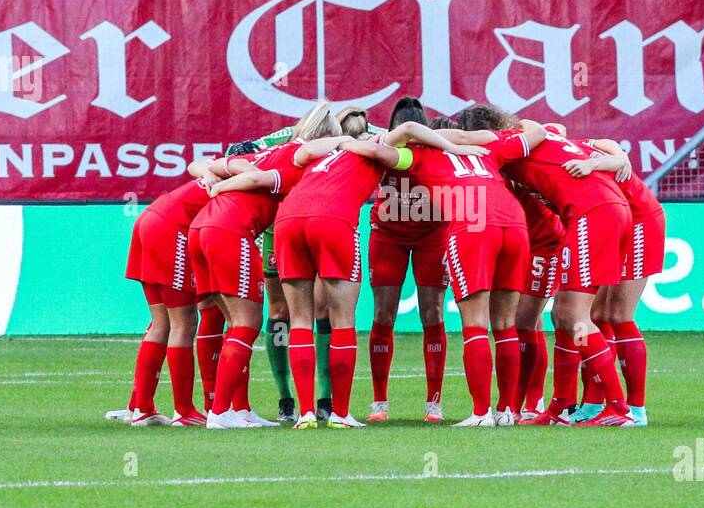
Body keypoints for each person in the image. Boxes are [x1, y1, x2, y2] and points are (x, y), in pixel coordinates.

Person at [273, 122, 488, 429]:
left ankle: (306, 414)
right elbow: (408, 130)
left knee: (300, 320)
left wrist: (342, 140)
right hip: (332, 218)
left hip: (288, 219)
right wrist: (454, 148)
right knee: (343, 321)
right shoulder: (374, 147)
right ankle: (341, 414)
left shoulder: (323, 154)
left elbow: (303, 150)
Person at [458, 108, 635, 427]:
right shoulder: (548, 136)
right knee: (565, 316)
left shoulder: (509, 141)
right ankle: (560, 407)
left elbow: (468, 138)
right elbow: (566, 133)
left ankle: (618, 407)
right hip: (607, 210)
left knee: (573, 316)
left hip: (592, 213)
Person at [188, 102, 350, 429]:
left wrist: (211, 174)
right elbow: (264, 177)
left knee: (234, 321)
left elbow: (200, 164)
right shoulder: (295, 158)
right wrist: (347, 142)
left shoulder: (266, 153)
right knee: (246, 323)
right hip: (230, 232)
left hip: (201, 230)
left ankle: (235, 409)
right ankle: (220, 414)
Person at [401, 115, 547, 425]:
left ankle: (480, 413)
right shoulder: (488, 150)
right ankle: (507, 411)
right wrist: (503, 128)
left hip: (473, 224)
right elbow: (539, 131)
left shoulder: (418, 153)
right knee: (506, 323)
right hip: (514, 223)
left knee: (476, 324)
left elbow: (391, 141)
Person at [564, 139, 666, 428]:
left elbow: (618, 158)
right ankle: (596, 402)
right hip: (609, 220)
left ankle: (636, 409)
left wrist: (594, 162)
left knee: (619, 314)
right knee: (595, 316)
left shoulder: (568, 150)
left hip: (638, 219)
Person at [367, 98, 452, 423]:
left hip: (433, 233)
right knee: (383, 314)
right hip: (389, 235)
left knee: (431, 313)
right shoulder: (384, 148)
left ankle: (434, 403)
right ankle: (379, 402)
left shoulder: (437, 150)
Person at [117, 176, 210, 426]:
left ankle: (140, 408)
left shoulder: (228, 166)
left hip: (149, 218)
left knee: (161, 323)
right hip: (170, 227)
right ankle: (184, 411)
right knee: (185, 322)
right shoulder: (252, 175)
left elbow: (196, 166)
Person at [508, 180, 565, 421]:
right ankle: (533, 400)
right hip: (515, 239)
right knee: (528, 322)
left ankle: (522, 404)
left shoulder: (522, 154)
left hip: (544, 244)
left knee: (523, 322)